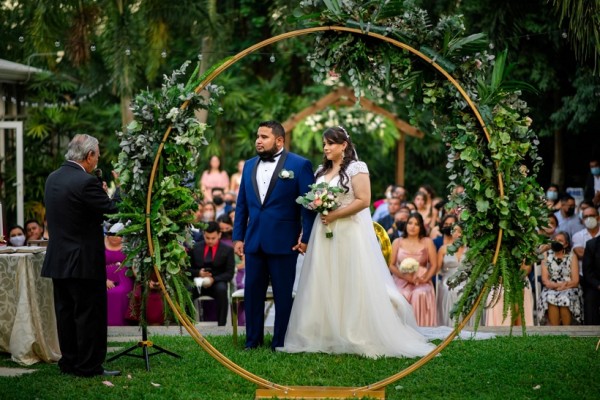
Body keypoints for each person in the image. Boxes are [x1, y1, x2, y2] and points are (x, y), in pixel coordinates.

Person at [279, 126, 435, 358]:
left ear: (344, 145)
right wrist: (316, 207)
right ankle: (324, 332)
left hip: (348, 233)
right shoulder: (321, 170)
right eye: (324, 143)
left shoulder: (356, 168)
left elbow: (364, 200)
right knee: (324, 278)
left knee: (349, 278)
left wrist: (334, 214)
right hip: (324, 233)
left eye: (331, 143)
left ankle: (354, 332)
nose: (326, 148)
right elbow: (314, 199)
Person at [41, 134, 121, 377]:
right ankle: (88, 366)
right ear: (89, 156)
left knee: (65, 313)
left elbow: (76, 212)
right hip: (83, 261)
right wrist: (119, 188)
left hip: (58, 258)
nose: (97, 160)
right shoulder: (86, 182)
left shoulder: (53, 178)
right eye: (97, 155)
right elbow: (112, 210)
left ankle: (70, 362)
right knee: (88, 314)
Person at [233, 120, 316, 350]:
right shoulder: (249, 165)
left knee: (282, 295)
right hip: (254, 241)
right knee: (252, 294)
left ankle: (280, 342)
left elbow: (308, 207)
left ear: (279, 140)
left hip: (284, 242)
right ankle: (252, 341)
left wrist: (306, 237)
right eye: (257, 136)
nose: (258, 141)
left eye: (264, 137)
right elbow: (242, 204)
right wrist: (238, 236)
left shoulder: (300, 165)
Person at [389, 213, 438, 326]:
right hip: (401, 279)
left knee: (419, 293)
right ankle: (400, 327)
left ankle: (421, 327)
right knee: (401, 293)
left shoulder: (427, 242)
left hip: (421, 279)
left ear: (421, 227)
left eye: (416, 224)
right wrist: (404, 277)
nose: (412, 226)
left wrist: (425, 278)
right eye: (410, 223)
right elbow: (391, 264)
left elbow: (434, 265)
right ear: (406, 225)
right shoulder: (397, 242)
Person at [190, 221, 235, 326]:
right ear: (204, 234)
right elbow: (188, 269)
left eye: (213, 238)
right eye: (207, 238)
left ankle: (222, 325)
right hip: (198, 282)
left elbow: (229, 274)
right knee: (187, 290)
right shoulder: (195, 248)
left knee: (222, 290)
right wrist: (198, 273)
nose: (210, 241)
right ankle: (188, 324)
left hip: (217, 281)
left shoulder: (227, 250)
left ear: (219, 235)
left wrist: (213, 279)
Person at [537, 232, 583, 325]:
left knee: (565, 297)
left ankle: (567, 332)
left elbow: (575, 281)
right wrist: (557, 286)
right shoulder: (546, 255)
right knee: (550, 296)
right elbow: (545, 280)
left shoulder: (572, 256)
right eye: (555, 240)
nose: (557, 242)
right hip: (551, 287)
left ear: (566, 244)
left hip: (569, 287)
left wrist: (564, 287)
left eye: (560, 241)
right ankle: (556, 332)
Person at [436, 223, 470, 327]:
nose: (457, 234)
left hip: (466, 279)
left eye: (460, 231)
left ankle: (466, 325)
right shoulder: (443, 249)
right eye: (454, 231)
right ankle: (448, 324)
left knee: (466, 289)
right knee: (448, 289)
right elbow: (437, 270)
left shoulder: (470, 250)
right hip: (448, 278)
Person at [104, 222, 133, 326]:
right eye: (111, 234)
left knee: (119, 292)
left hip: (123, 278)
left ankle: (120, 324)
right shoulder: (100, 244)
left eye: (118, 235)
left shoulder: (129, 246)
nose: (115, 237)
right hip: (103, 277)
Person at [583, 235, 600, 324]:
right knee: (590, 298)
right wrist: (598, 285)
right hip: (596, 285)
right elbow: (587, 271)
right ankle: (591, 333)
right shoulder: (592, 244)